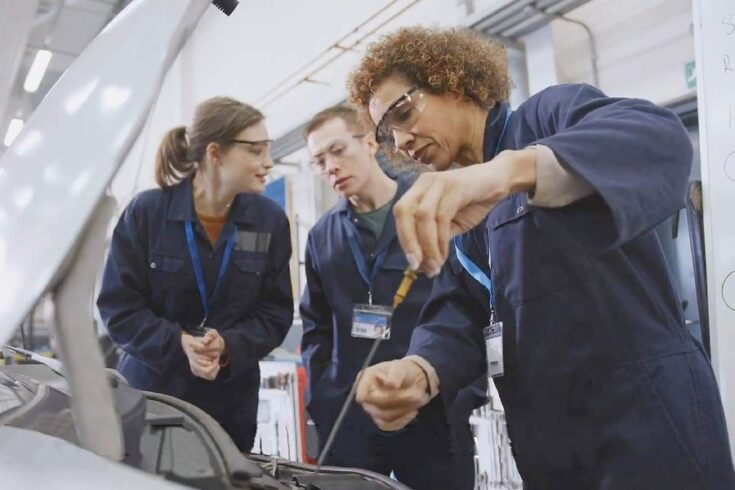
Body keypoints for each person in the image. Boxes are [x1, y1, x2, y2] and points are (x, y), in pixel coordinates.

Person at [347, 26, 735, 489]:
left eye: (403, 112)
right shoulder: (463, 211)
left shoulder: (548, 117)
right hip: (550, 446)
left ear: (450, 79)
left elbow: (660, 140)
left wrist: (508, 172)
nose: (402, 141)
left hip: (645, 426)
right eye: (387, 136)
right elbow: (461, 312)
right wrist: (418, 370)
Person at [97, 96, 293, 451]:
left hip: (229, 407)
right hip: (152, 400)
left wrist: (229, 346)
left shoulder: (269, 220)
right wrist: (177, 343)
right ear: (215, 154)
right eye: (255, 150)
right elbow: (119, 309)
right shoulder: (147, 213)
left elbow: (275, 313)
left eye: (268, 149)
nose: (268, 161)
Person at [300, 105, 479, 489]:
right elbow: (316, 328)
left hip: (431, 404)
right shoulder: (322, 236)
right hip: (353, 410)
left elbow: (468, 301)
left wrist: (459, 393)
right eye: (318, 161)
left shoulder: (429, 204)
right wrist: (326, 400)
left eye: (337, 150)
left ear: (368, 143)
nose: (330, 166)